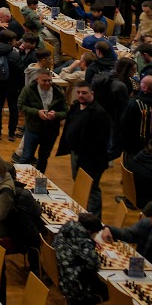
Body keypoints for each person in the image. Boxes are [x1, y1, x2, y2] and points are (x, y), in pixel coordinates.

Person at [55, 81, 111, 213]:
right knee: (79, 183)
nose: (80, 95)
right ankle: (83, 212)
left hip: (92, 160)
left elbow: (101, 141)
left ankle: (94, 218)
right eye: (78, 92)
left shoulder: (99, 113)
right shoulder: (76, 106)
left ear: (92, 94)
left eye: (84, 93)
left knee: (91, 189)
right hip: (77, 154)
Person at [15, 68, 67, 171]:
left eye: (49, 80)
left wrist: (56, 115)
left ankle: (39, 180)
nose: (47, 83)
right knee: (26, 156)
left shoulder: (58, 91)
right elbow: (20, 106)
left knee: (43, 158)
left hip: (51, 131)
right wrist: (37, 112)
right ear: (37, 79)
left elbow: (66, 111)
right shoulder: (28, 90)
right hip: (33, 129)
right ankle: (20, 178)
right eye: (44, 80)